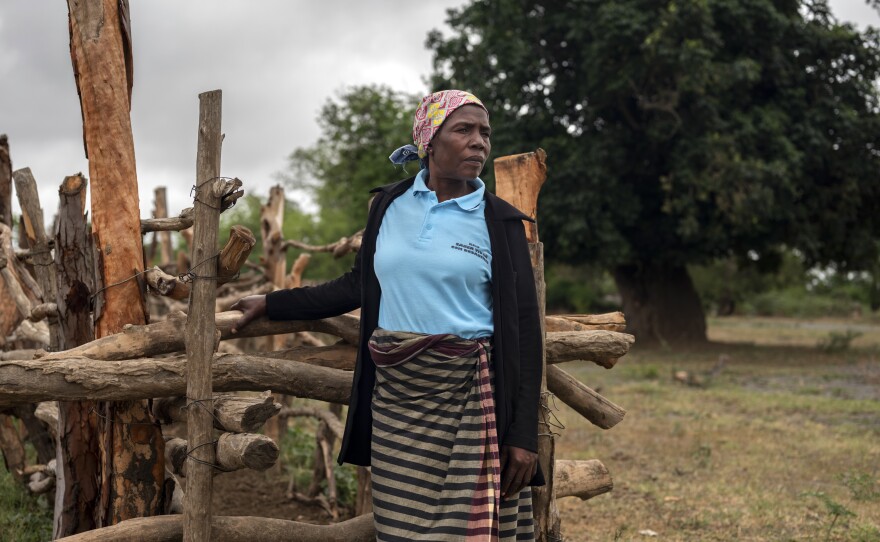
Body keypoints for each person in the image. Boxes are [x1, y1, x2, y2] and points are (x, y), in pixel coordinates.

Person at [231, 89, 543, 541]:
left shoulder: (501, 223)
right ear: (429, 141)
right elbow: (357, 284)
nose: (479, 142)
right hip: (397, 404)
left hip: (472, 403)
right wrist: (273, 302)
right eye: (464, 130)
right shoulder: (388, 206)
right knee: (400, 527)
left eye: (485, 133)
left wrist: (523, 434)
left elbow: (527, 335)